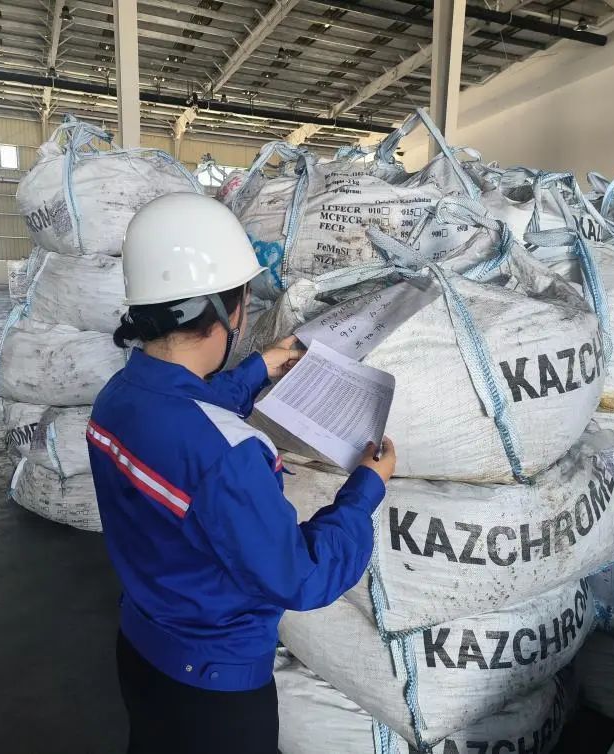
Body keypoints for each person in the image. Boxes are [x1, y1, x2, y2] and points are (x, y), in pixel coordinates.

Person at [86, 192, 396, 754]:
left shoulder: (116, 399)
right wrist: (365, 491)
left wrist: (259, 368)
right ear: (232, 309)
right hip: (213, 693)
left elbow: (184, 411)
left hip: (141, 652)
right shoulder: (231, 454)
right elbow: (300, 577)